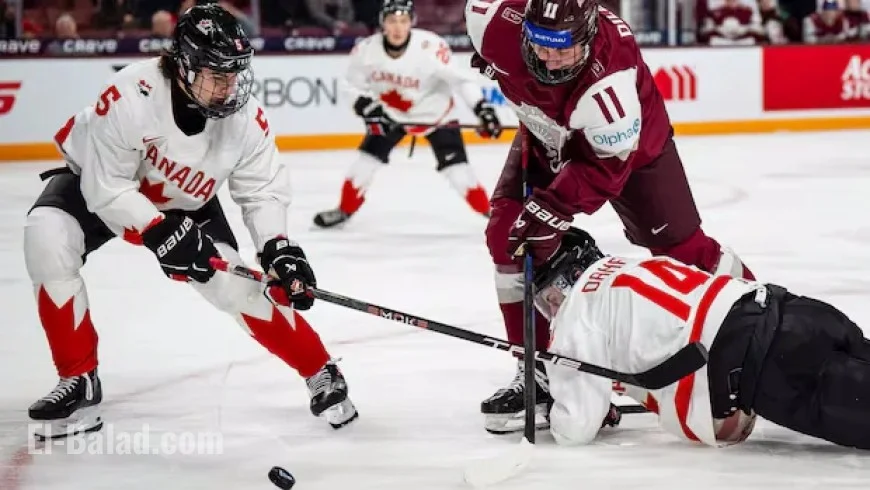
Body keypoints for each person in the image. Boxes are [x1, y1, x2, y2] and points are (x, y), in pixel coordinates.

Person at [24, 4, 357, 439]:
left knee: (235, 285)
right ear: (183, 65)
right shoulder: (130, 94)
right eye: (217, 75)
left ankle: (322, 371)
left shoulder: (245, 117)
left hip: (185, 201)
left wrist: (278, 248)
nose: (229, 87)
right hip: (101, 186)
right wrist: (159, 230)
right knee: (47, 236)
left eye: (235, 73)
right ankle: (79, 377)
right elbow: (105, 188)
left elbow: (261, 190)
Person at [464, 0, 755, 433]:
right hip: (548, 134)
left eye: (564, 48)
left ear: (587, 36)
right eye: (541, 44)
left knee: (680, 246)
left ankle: (754, 308)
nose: (550, 58)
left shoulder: (611, 84)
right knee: (507, 237)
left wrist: (550, 212)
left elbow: (604, 171)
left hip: (632, 153)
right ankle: (538, 370)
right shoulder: (488, 20)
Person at [536, 227, 870, 449]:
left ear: (561, 282)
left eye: (545, 296)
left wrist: (556, 404)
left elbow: (575, 428)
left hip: (768, 366)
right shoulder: (630, 265)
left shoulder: (576, 312)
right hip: (796, 312)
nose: (548, 306)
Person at [312, 0, 503, 229]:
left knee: (460, 174)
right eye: (392, 21)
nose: (397, 28)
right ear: (383, 23)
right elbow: (349, 86)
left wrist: (483, 108)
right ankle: (344, 210)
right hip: (391, 118)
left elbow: (460, 81)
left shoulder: (431, 47)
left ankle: (493, 216)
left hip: (436, 117)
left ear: (411, 22)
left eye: (403, 21)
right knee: (363, 165)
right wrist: (366, 107)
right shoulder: (366, 51)